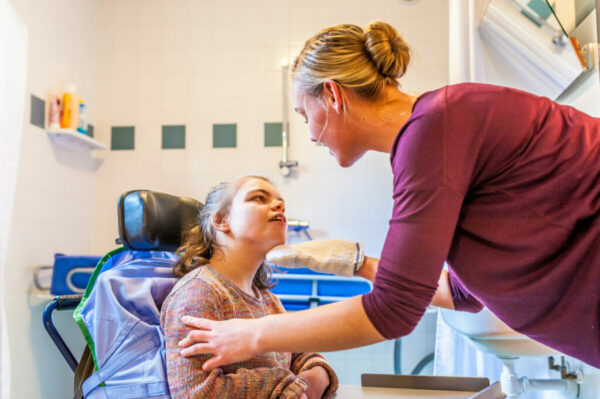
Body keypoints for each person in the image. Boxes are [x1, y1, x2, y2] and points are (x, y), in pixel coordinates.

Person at [176, 22, 600, 370]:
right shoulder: (435, 129)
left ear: (333, 95)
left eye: (306, 115)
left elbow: (395, 310)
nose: (308, 133)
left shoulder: (434, 130)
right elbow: (464, 293)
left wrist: (249, 335)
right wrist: (357, 264)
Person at [160, 174, 338, 398]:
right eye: (259, 198)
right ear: (222, 220)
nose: (280, 205)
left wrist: (316, 374)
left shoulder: (267, 299)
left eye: (280, 201)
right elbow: (197, 393)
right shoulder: (199, 293)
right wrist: (288, 384)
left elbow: (302, 356)